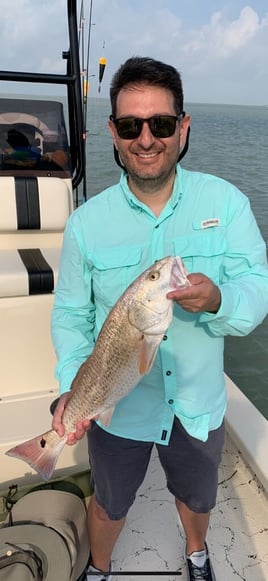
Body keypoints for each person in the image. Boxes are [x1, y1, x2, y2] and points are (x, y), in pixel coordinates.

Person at [51, 57, 268, 581]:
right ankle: (100, 568)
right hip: (117, 406)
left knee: (196, 496)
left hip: (196, 405)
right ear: (114, 133)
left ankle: (196, 554)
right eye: (131, 126)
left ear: (183, 126)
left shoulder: (228, 203)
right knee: (109, 502)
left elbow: (258, 288)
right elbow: (70, 315)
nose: (146, 139)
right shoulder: (86, 224)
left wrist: (219, 299)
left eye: (161, 124)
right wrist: (70, 393)